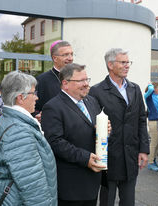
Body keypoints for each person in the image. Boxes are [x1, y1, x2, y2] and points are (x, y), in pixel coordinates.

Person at [0, 71, 57, 206]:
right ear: (20, 97)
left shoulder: (9, 119)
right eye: (33, 93)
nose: (36, 98)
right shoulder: (19, 132)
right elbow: (33, 186)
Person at [89, 48, 149, 206]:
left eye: (128, 62)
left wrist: (143, 149)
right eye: (123, 62)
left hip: (130, 156)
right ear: (110, 65)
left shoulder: (134, 89)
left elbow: (141, 119)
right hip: (108, 157)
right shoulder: (97, 91)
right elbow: (92, 125)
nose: (127, 65)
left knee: (129, 201)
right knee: (107, 201)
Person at [41, 63, 105, 206]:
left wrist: (104, 130)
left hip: (92, 181)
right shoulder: (53, 107)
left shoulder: (91, 101)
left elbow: (92, 131)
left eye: (87, 79)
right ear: (65, 84)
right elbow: (55, 142)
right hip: (71, 186)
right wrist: (85, 158)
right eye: (81, 81)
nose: (86, 84)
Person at [34, 40, 73, 121]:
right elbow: (33, 107)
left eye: (71, 54)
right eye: (66, 55)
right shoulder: (41, 80)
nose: (70, 58)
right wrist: (37, 115)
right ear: (55, 58)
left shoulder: (77, 77)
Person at [144, 82, 158, 171]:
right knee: (153, 144)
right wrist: (150, 85)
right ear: (154, 88)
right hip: (154, 122)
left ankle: (153, 160)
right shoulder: (149, 97)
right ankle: (150, 163)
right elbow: (150, 89)